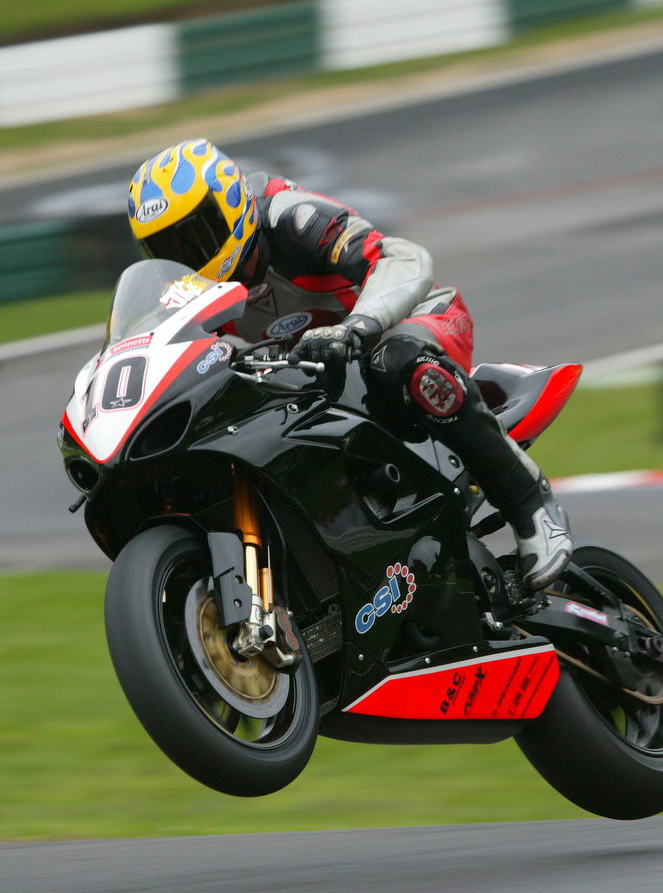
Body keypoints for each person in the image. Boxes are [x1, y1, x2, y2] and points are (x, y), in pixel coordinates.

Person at [126, 138, 571, 589]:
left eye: (194, 234)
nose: (186, 256)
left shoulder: (290, 216)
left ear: (231, 203)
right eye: (168, 247)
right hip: (316, 374)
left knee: (396, 362)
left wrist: (357, 325)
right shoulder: (190, 295)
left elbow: (405, 258)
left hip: (407, 324)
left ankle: (530, 505)